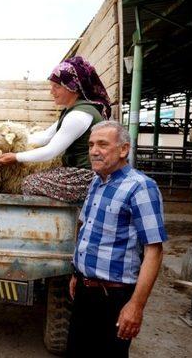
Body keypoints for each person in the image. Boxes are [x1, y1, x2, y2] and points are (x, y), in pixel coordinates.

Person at [66, 121, 167, 357]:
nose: (93, 151)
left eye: (102, 144)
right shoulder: (97, 182)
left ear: (123, 150)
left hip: (114, 297)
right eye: (91, 145)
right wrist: (77, 273)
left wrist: (136, 306)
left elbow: (154, 251)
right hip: (84, 290)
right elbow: (86, 229)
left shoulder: (141, 187)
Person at [0, 56, 111, 202]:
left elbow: (50, 151)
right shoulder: (75, 110)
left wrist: (15, 157)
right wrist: (7, 141)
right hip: (83, 172)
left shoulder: (78, 116)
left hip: (89, 177)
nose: (52, 92)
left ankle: (77, 211)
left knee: (30, 183)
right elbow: (45, 137)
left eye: (56, 87)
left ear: (72, 87)